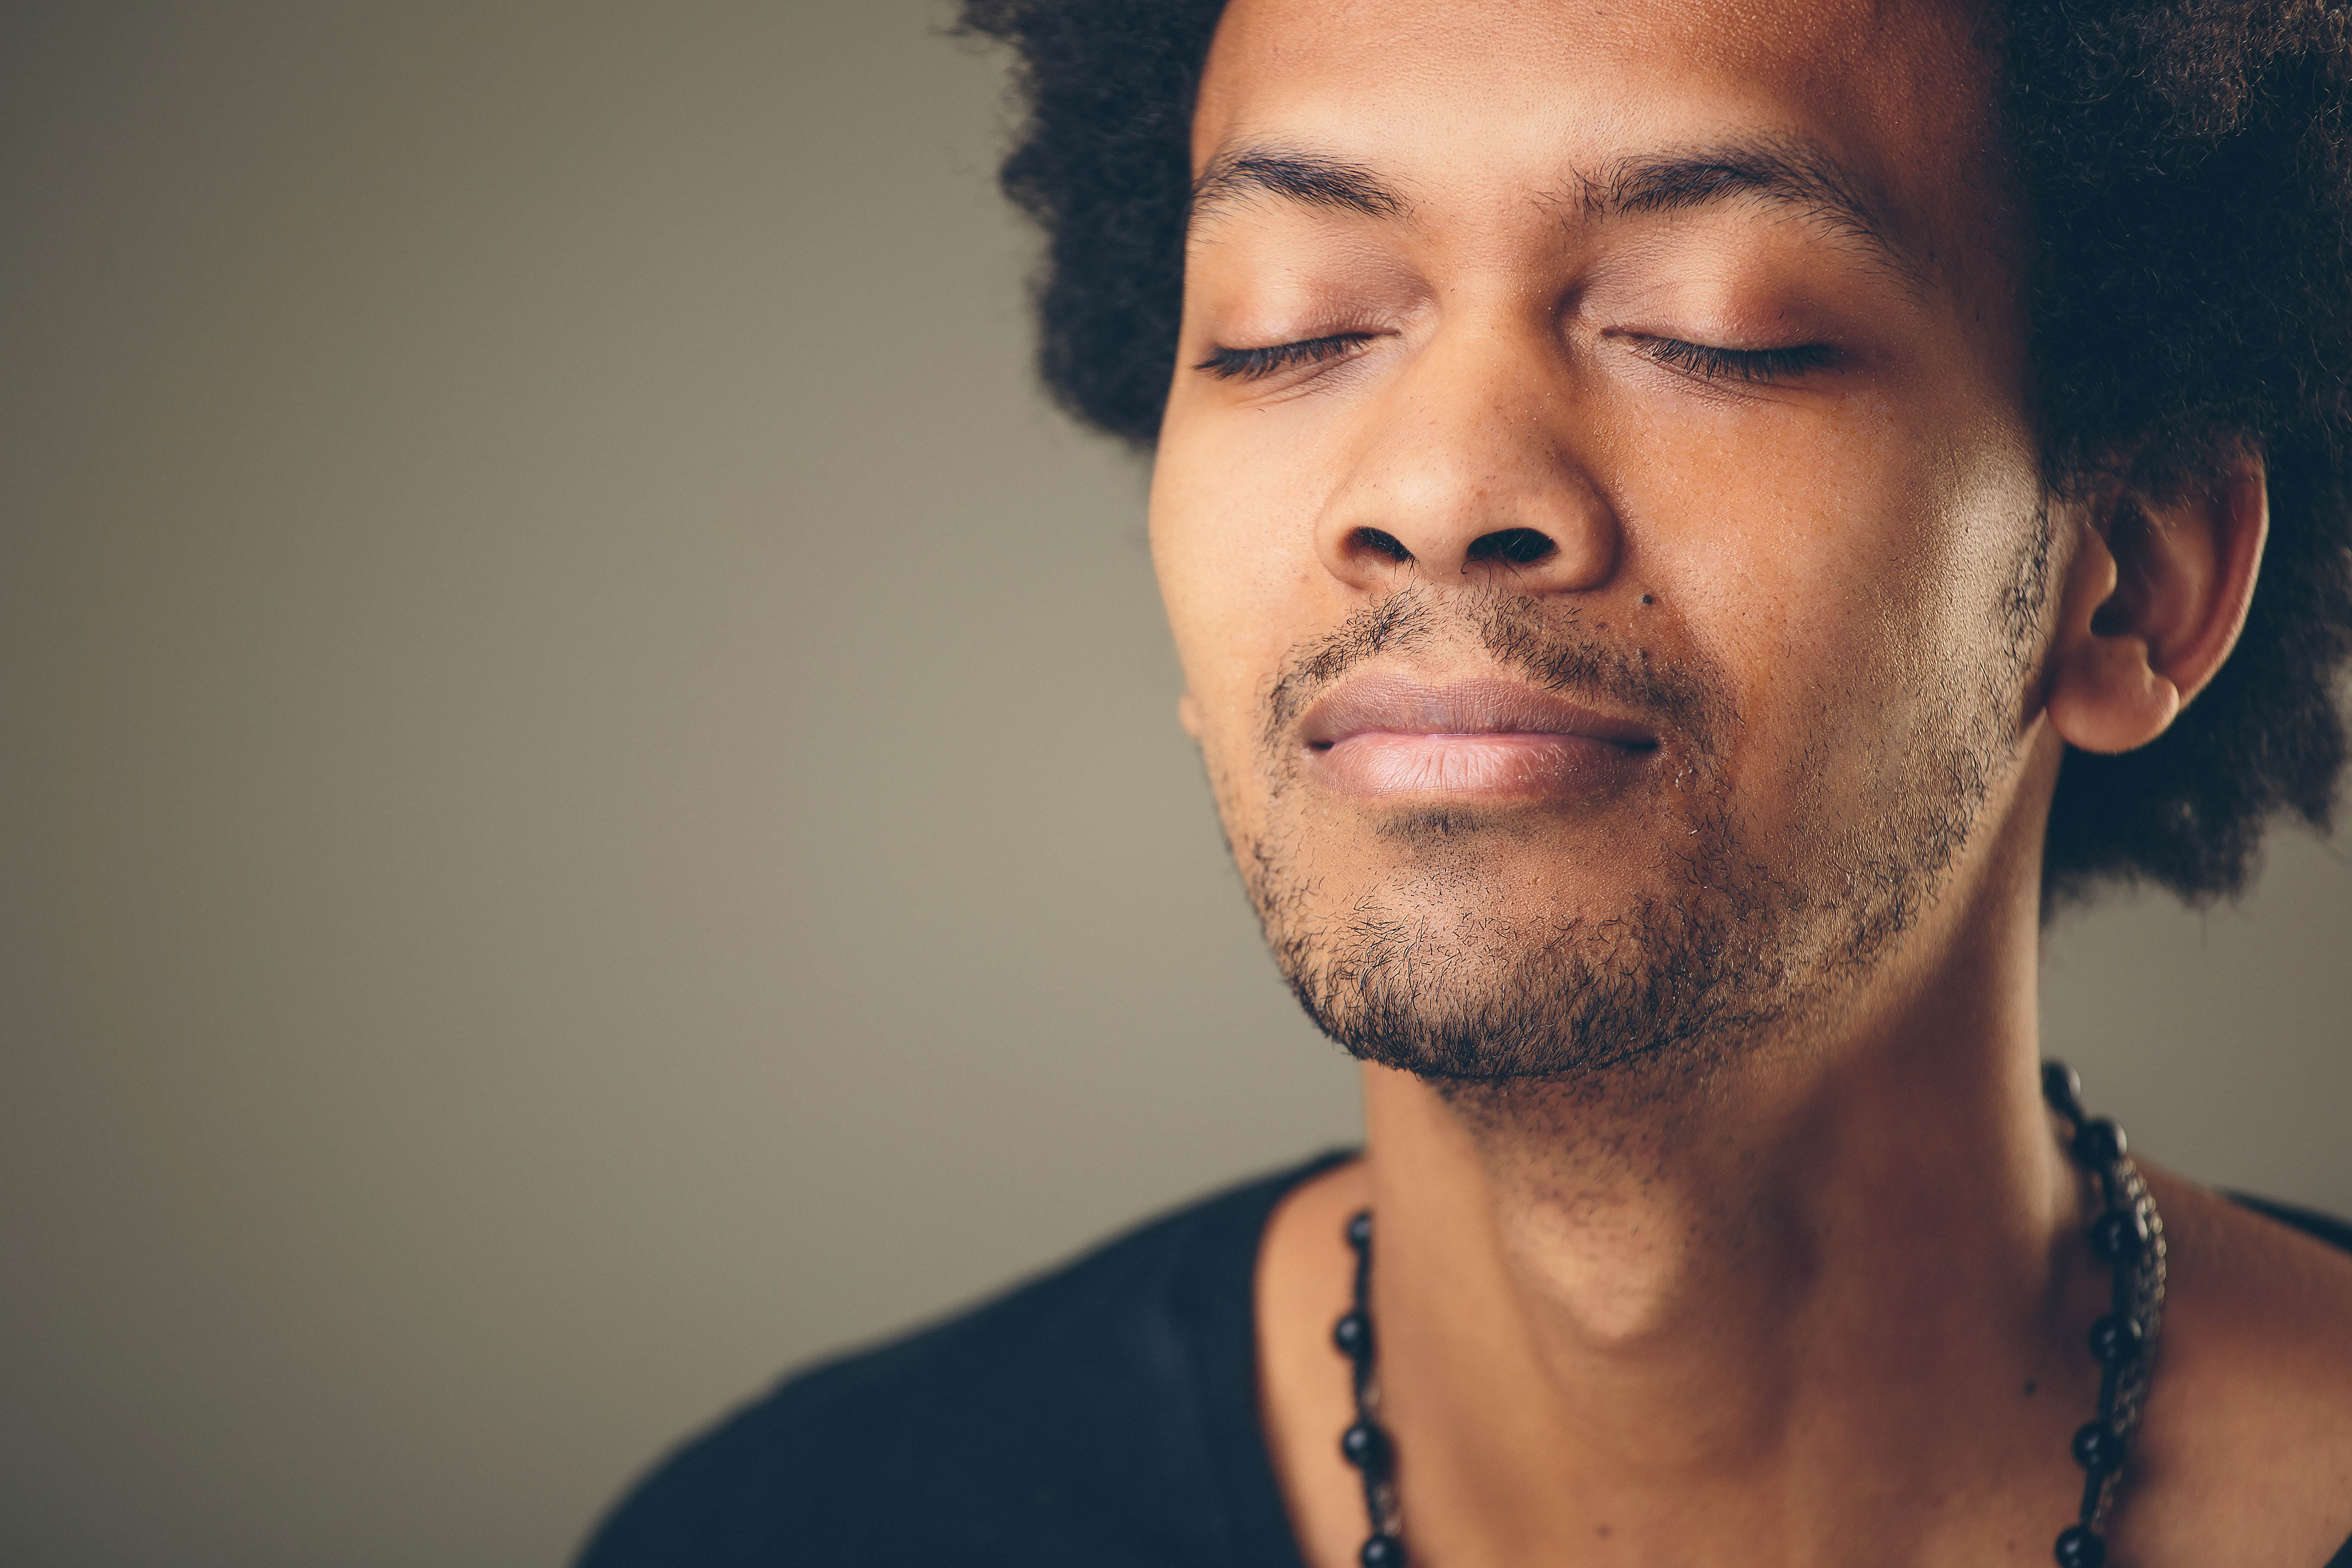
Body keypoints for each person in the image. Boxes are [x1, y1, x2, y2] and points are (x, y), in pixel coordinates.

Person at [576, 0, 2352, 1563]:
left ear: (2131, 575)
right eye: (1291, 328)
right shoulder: (799, 1531)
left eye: (1713, 326)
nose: (1434, 485)